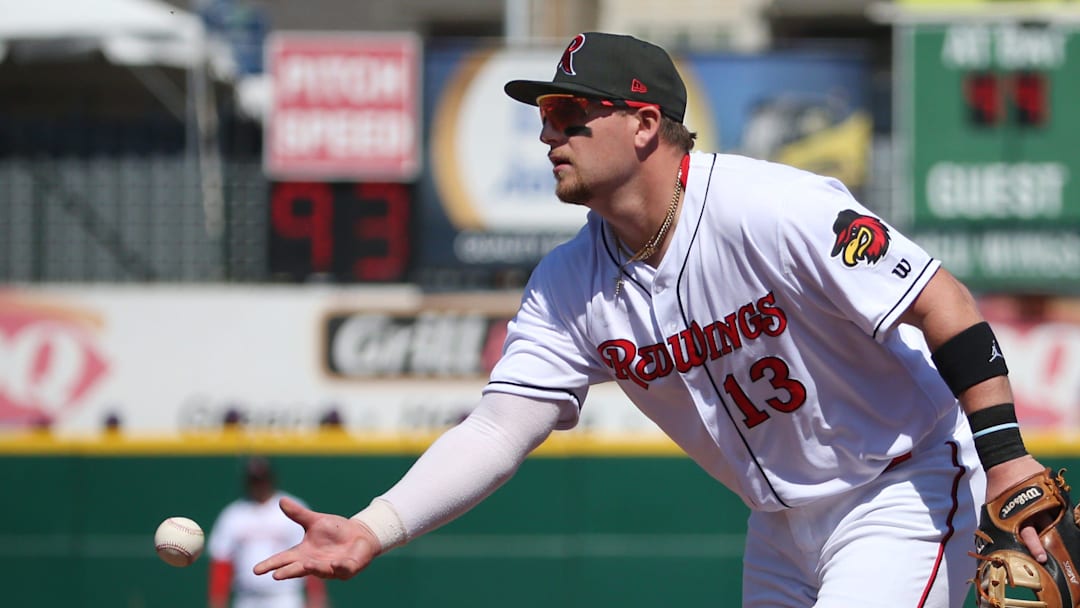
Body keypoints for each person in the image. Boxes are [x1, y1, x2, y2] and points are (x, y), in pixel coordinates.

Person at [254, 32, 1049, 607]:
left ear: (642, 124)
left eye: (569, 113)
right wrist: (373, 527)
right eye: (544, 116)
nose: (546, 133)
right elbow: (498, 431)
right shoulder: (572, 283)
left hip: (901, 488)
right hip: (776, 528)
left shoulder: (769, 207)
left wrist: (1006, 459)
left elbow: (943, 301)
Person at [208, 457, 327, 608]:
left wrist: (317, 599)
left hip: (284, 597)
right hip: (247, 598)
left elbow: (310, 555)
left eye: (262, 479)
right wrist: (217, 603)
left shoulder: (291, 508)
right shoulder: (234, 514)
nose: (259, 485)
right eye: (254, 480)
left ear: (271, 479)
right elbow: (221, 562)